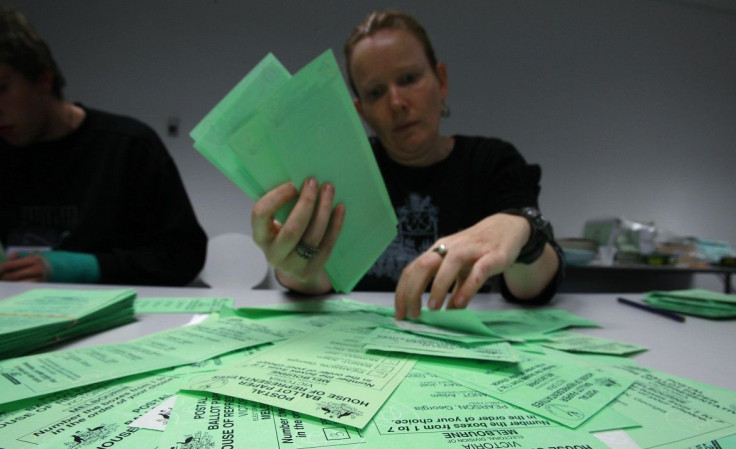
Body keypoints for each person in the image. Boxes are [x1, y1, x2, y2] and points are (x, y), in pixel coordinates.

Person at [251, 9, 563, 318]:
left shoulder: (493, 161)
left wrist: (523, 232)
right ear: (361, 111)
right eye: (375, 93)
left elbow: (530, 288)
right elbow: (320, 281)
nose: (396, 103)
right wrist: (296, 264)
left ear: (440, 81)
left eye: (409, 79)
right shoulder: (345, 171)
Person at [0, 7, 207, 286]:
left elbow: (183, 256)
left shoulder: (128, 147)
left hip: (118, 323)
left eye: (1, 89)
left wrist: (87, 268)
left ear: (44, 80)